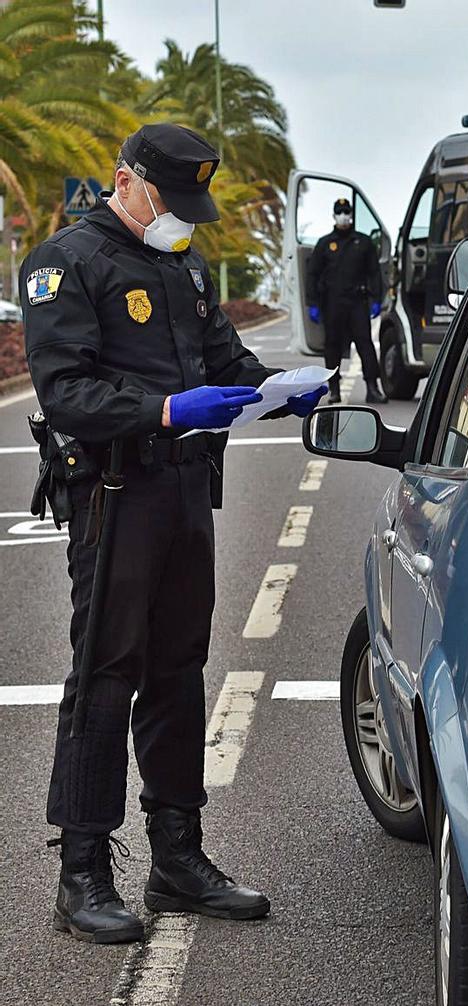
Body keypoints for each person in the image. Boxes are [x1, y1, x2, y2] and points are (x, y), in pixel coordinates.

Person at [20, 123, 326, 944]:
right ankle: (82, 872)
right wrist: (161, 410)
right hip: (114, 492)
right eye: (170, 199)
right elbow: (65, 391)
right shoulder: (65, 263)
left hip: (185, 489)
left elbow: (225, 362)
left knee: (178, 670)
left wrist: (282, 388)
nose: (180, 216)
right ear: (125, 181)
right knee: (105, 672)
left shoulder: (183, 265)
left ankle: (177, 859)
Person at [304, 197, 387, 404]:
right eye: (339, 212)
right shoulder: (325, 244)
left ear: (351, 215)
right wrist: (312, 304)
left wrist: (377, 299)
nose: (343, 216)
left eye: (346, 212)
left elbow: (374, 273)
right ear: (334, 216)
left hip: (357, 301)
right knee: (332, 346)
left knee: (365, 344)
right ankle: (334, 389)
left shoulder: (363, 242)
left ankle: (372, 388)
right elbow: (312, 274)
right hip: (332, 303)